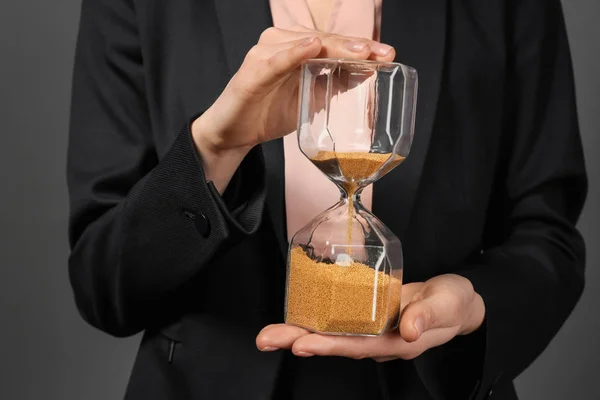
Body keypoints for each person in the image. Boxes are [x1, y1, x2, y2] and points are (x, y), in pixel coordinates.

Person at [66, 0, 587, 399]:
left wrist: (475, 304)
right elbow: (102, 284)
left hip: (425, 384)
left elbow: (547, 233)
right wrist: (215, 149)